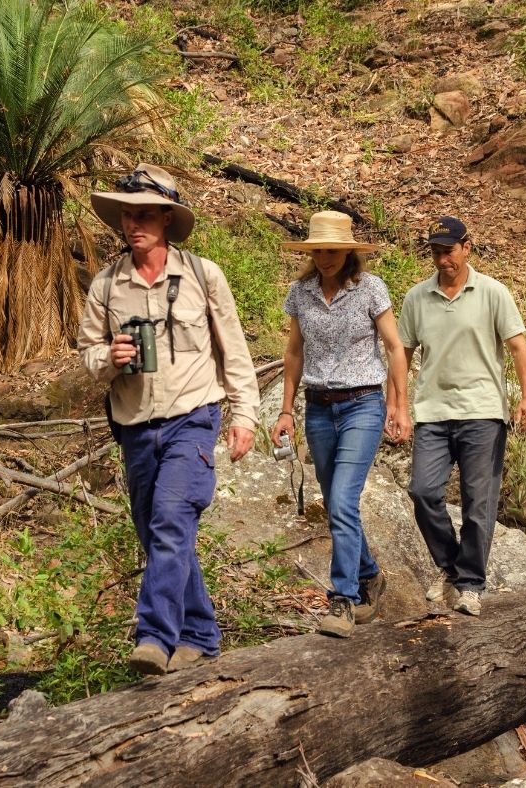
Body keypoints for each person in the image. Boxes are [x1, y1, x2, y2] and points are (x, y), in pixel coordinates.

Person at [78, 163, 259, 675]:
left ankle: (155, 636)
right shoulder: (107, 285)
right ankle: (199, 635)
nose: (132, 224)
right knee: (159, 534)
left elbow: (234, 349)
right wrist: (108, 358)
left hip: (193, 418)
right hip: (135, 426)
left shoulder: (202, 275)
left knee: (171, 520)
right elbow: (87, 354)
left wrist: (245, 415)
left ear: (165, 218)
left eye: (143, 215)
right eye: (126, 215)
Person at [271, 211, 411, 638]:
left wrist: (399, 405)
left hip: (362, 405)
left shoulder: (370, 288)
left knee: (344, 500)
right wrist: (285, 410)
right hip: (318, 408)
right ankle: (368, 573)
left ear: (349, 251)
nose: (326, 258)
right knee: (334, 502)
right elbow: (294, 352)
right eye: (318, 251)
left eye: (333, 250)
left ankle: (343, 599)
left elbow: (394, 347)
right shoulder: (301, 292)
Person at [397, 216, 526, 617]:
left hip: (483, 412)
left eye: (449, 251)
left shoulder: (492, 292)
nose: (443, 259)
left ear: (467, 248)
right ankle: (449, 565)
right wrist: (398, 405)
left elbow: (518, 347)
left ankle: (470, 584)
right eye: (436, 252)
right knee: (422, 492)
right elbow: (401, 353)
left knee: (479, 505)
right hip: (433, 412)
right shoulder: (416, 298)